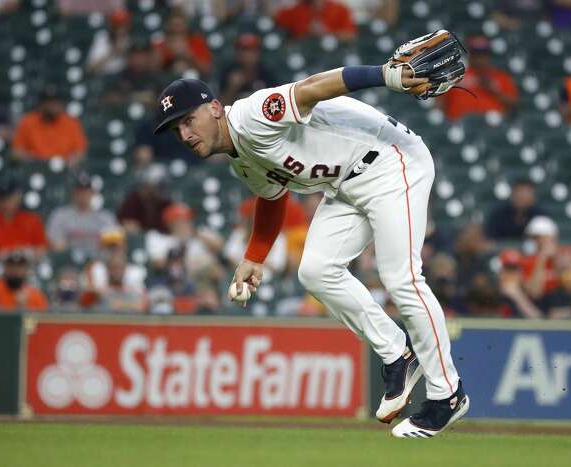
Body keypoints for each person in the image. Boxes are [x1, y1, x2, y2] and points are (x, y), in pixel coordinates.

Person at [153, 53, 468, 436]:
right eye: (176, 129)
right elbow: (272, 196)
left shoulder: (252, 115)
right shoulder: (239, 159)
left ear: (215, 108)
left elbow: (312, 88)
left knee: (401, 277)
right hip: (346, 186)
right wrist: (254, 257)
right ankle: (396, 353)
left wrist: (384, 75)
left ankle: (447, 394)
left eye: (189, 120)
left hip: (391, 161)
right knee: (315, 271)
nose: (185, 134)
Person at [437, 35, 519, 121]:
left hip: (492, 126)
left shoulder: (501, 77)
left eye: (483, 54)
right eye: (476, 54)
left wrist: (493, 90)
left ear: (489, 56)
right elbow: (439, 103)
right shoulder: (455, 74)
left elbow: (513, 105)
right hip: (460, 125)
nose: (479, 59)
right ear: (470, 56)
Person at [521, 216, 571, 313]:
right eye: (534, 238)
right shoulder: (529, 260)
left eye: (540, 237)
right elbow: (535, 293)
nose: (537, 241)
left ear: (553, 237)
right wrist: (542, 259)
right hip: (542, 308)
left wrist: (566, 268)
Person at [11, 85, 87, 166]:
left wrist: (72, 161)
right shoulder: (28, 122)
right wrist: (30, 160)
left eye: (55, 102)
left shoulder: (71, 123)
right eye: (48, 102)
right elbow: (16, 151)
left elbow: (80, 152)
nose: (52, 106)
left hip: (63, 168)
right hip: (35, 168)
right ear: (41, 105)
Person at [46, 172, 118, 257]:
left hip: (98, 263)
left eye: (86, 191)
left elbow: (114, 247)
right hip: (68, 264)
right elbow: (56, 246)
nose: (83, 195)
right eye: (79, 191)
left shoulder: (106, 217)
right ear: (73, 193)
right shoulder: (60, 215)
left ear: (93, 193)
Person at [219, 33, 277, 105]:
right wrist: (232, 89)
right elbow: (220, 108)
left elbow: (277, 103)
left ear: (258, 53)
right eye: (244, 51)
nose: (248, 56)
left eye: (252, 51)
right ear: (237, 54)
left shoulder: (267, 73)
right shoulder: (228, 72)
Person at [152, 10, 212, 77]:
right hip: (166, 80)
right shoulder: (162, 42)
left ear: (186, 26)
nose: (177, 29)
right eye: (174, 25)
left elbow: (206, 69)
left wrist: (187, 53)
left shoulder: (197, 41)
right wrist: (167, 50)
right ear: (168, 26)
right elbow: (153, 68)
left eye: (180, 25)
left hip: (194, 79)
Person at [274, 0, 357, 42]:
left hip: (333, 58)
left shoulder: (340, 10)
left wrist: (327, 32)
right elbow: (274, 21)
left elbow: (350, 36)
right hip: (302, 57)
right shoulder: (294, 11)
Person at [86, 8, 133, 76]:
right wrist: (112, 53)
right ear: (111, 25)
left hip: (125, 78)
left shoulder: (131, 40)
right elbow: (90, 68)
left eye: (124, 24)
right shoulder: (102, 38)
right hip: (104, 78)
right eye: (117, 25)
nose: (121, 28)